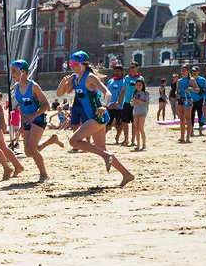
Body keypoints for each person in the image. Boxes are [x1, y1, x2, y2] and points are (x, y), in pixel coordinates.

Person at [57, 51, 135, 187]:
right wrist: (62, 83)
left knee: (73, 141)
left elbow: (108, 93)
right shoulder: (75, 79)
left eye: (75, 64)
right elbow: (59, 94)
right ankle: (127, 175)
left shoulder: (90, 77)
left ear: (84, 65)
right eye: (71, 64)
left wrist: (104, 106)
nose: (72, 66)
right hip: (94, 117)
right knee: (102, 148)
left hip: (98, 116)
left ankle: (106, 157)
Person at [12, 59, 60, 183]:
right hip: (27, 120)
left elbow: (46, 105)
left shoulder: (33, 86)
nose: (11, 73)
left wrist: (33, 115)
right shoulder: (16, 87)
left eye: (14, 71)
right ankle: (51, 141)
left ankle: (44, 174)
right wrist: (22, 125)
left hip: (38, 118)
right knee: (28, 152)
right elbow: (22, 108)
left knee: (33, 149)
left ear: (23, 72)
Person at [119, 61, 144, 146]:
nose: (131, 69)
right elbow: (123, 90)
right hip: (126, 102)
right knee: (124, 122)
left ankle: (133, 140)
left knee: (134, 123)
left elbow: (143, 91)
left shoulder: (140, 78)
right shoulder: (127, 78)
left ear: (137, 68)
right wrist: (118, 100)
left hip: (136, 103)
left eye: (133, 67)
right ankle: (126, 139)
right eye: (130, 67)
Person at [177, 65, 198, 143]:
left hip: (188, 100)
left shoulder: (191, 80)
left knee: (188, 119)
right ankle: (182, 137)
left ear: (188, 71)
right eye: (182, 70)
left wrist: (190, 89)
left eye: (184, 70)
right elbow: (177, 90)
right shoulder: (179, 81)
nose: (183, 72)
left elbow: (197, 89)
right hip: (180, 100)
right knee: (181, 119)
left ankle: (188, 136)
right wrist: (177, 94)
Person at [106, 65, 125, 143]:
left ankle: (117, 138)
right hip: (109, 106)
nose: (116, 73)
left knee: (119, 123)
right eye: (115, 71)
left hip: (119, 106)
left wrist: (117, 102)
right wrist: (105, 103)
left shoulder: (124, 81)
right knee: (107, 122)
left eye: (118, 71)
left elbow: (123, 92)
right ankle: (102, 137)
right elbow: (107, 92)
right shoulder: (110, 81)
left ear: (122, 72)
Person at [131, 79, 149, 151]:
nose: (138, 86)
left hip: (142, 111)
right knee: (136, 128)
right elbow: (132, 103)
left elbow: (146, 103)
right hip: (135, 111)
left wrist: (139, 101)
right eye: (137, 85)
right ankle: (138, 144)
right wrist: (133, 102)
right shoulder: (134, 93)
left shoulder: (145, 93)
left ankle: (144, 144)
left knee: (141, 127)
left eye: (139, 85)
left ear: (143, 85)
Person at [189, 66, 206, 137]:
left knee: (200, 115)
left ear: (198, 71)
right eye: (193, 71)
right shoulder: (189, 79)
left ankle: (200, 131)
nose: (194, 72)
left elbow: (205, 89)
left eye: (196, 71)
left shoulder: (202, 79)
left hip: (200, 99)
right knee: (191, 116)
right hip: (191, 100)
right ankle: (191, 132)